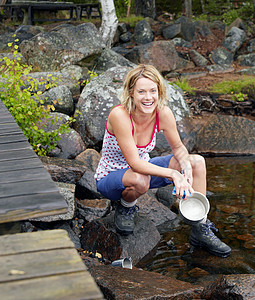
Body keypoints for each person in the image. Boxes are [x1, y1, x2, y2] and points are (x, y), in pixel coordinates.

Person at [94, 64, 231, 258]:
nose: (148, 97)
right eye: (141, 91)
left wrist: (185, 168)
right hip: (111, 179)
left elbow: (178, 148)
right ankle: (125, 207)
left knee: (197, 162)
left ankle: (200, 227)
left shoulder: (163, 113)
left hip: (144, 171)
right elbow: (135, 163)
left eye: (153, 91)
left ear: (159, 91)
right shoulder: (120, 115)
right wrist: (175, 174)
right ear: (131, 93)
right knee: (140, 179)